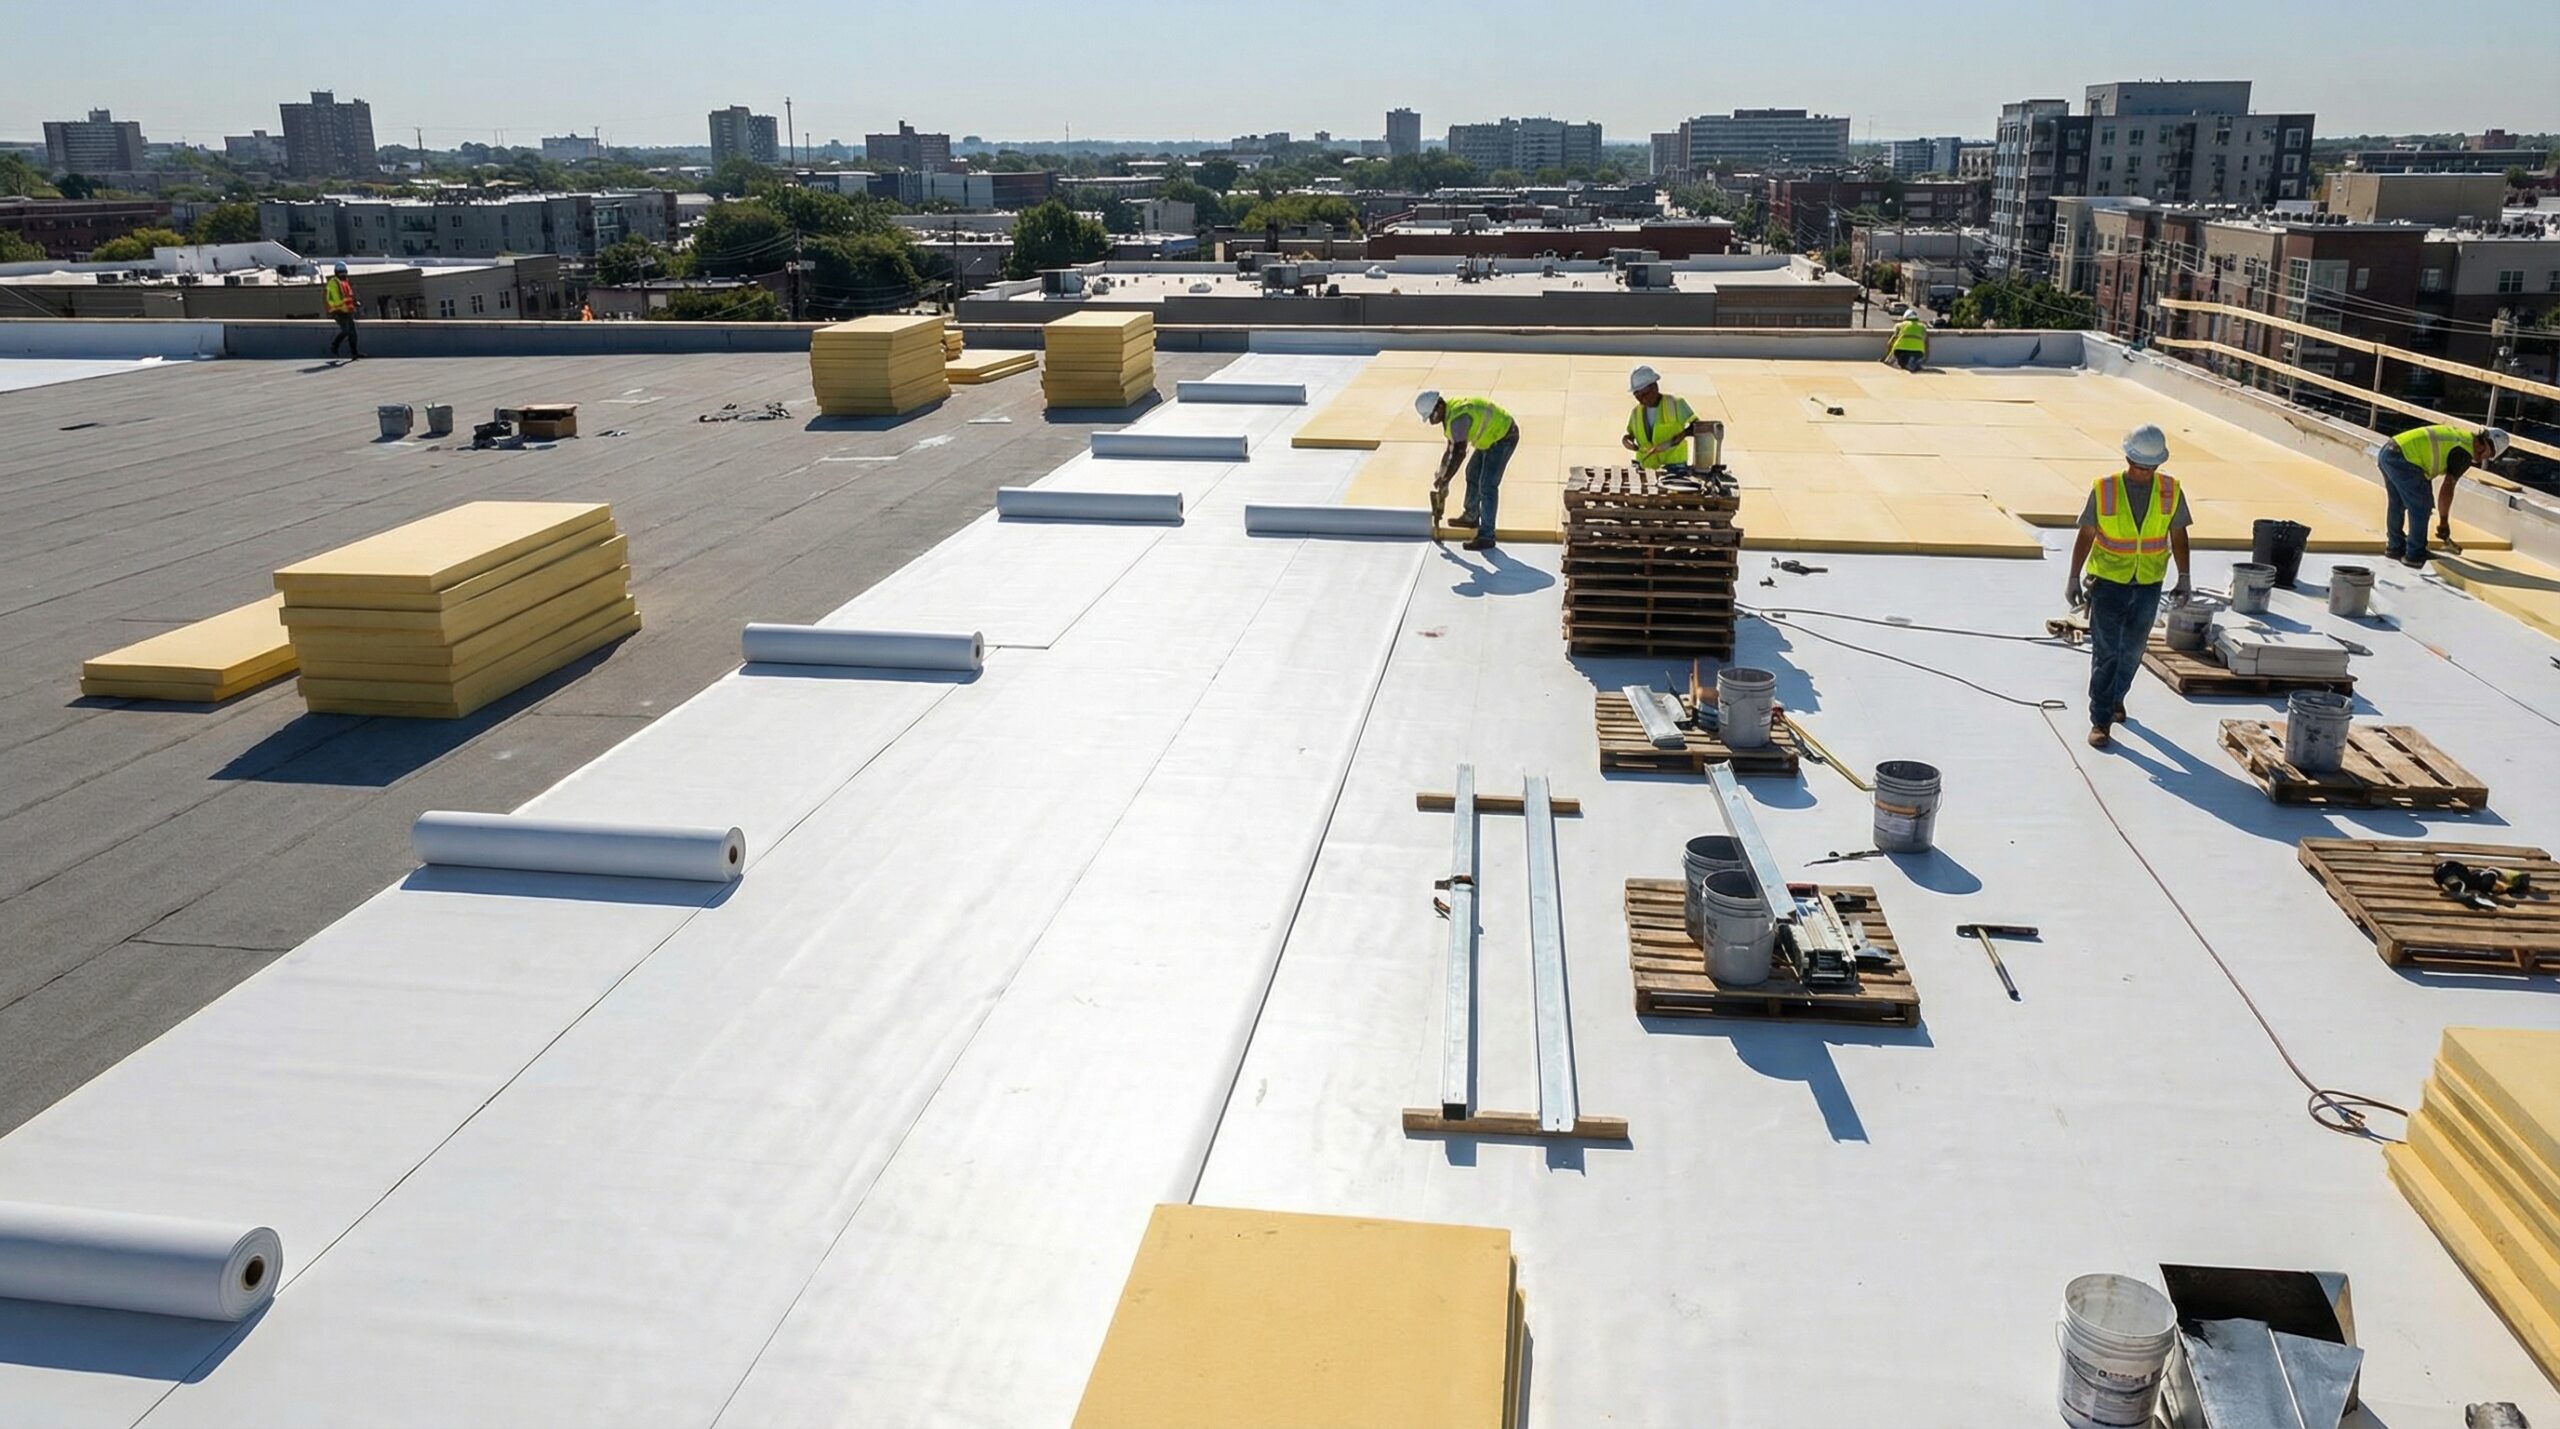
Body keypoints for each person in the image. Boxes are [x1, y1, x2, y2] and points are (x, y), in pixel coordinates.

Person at [2065, 424, 2193, 748]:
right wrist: (2072, 576)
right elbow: (2087, 533)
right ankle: (2101, 719)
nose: (2143, 473)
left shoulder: (2170, 490)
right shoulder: (2105, 488)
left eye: (2150, 468)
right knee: (2106, 652)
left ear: (2160, 464)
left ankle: (2116, 696)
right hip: (2109, 583)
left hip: (2149, 583)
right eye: (2139, 466)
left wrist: (2184, 576)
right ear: (2127, 458)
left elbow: (2178, 535)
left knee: (2133, 651)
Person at [2376, 423, 2509, 568]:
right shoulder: (2464, 453)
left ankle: (2395, 548)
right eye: (2488, 455)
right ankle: (2415, 554)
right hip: (2404, 459)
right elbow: (2447, 488)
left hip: (2389, 452)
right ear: (2483, 445)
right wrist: (2444, 521)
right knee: (2421, 507)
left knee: (2397, 503)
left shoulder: (2461, 438)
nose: (2483, 459)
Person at [1415, 389, 1517, 553]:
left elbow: (1459, 453)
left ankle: (1487, 535)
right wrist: (1441, 474)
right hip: (1490, 437)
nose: (1431, 421)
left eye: (1431, 416)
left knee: (1487, 485)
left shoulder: (1458, 419)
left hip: (1503, 437)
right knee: (1472, 473)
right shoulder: (1450, 415)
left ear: (1438, 406)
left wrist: (1446, 479)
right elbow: (1450, 449)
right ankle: (1471, 516)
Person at [1621, 364, 1717, 469]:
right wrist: (1626, 441)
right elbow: (1630, 435)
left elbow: (1698, 427)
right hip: (1646, 466)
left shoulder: (1676, 404)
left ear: (1654, 387)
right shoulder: (1636, 412)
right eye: (1637, 396)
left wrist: (1683, 434)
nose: (1642, 400)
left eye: (1645, 394)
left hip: (1674, 466)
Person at [324, 262, 361, 361]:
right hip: (337, 311)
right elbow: (336, 300)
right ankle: (334, 346)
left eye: (344, 272)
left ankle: (355, 354)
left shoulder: (345, 282)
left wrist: (354, 302)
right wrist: (347, 303)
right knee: (346, 331)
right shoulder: (333, 283)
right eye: (341, 272)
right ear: (336, 273)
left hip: (347, 311)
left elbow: (349, 295)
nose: (343, 274)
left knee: (353, 333)